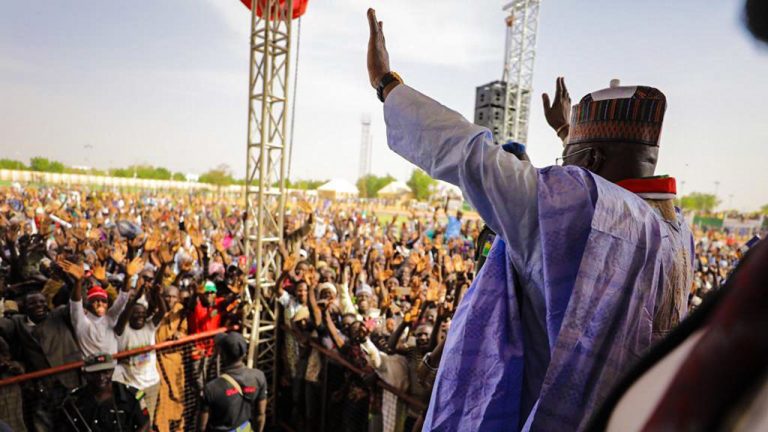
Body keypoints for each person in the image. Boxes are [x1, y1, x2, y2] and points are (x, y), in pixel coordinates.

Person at [366, 8, 694, 431]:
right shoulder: (676, 233)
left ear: (591, 161)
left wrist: (386, 84)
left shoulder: (587, 207)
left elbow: (474, 159)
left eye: (569, 160)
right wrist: (570, 136)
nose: (560, 171)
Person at [62, 256, 143, 357]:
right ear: (88, 304)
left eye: (104, 301)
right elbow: (76, 302)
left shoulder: (110, 317)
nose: (100, 303)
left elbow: (122, 298)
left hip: (112, 369)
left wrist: (128, 277)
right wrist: (78, 282)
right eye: (95, 301)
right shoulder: (81, 320)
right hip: (90, 370)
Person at [59, 353, 150, 432]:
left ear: (112, 371)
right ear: (86, 374)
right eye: (95, 373)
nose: (101, 377)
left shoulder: (130, 396)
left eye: (106, 372)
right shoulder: (74, 400)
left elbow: (144, 424)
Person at [198, 332, 267, 432]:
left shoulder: (211, 388)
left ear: (223, 355)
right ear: (244, 353)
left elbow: (201, 427)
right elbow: (260, 415)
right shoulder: (258, 377)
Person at [155, 285, 188, 432]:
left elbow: (184, 330)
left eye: (174, 297)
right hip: (158, 361)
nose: (170, 299)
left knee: (178, 395)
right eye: (167, 296)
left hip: (175, 362)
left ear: (178, 298)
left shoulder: (181, 312)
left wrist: (180, 335)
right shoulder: (156, 311)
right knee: (162, 397)